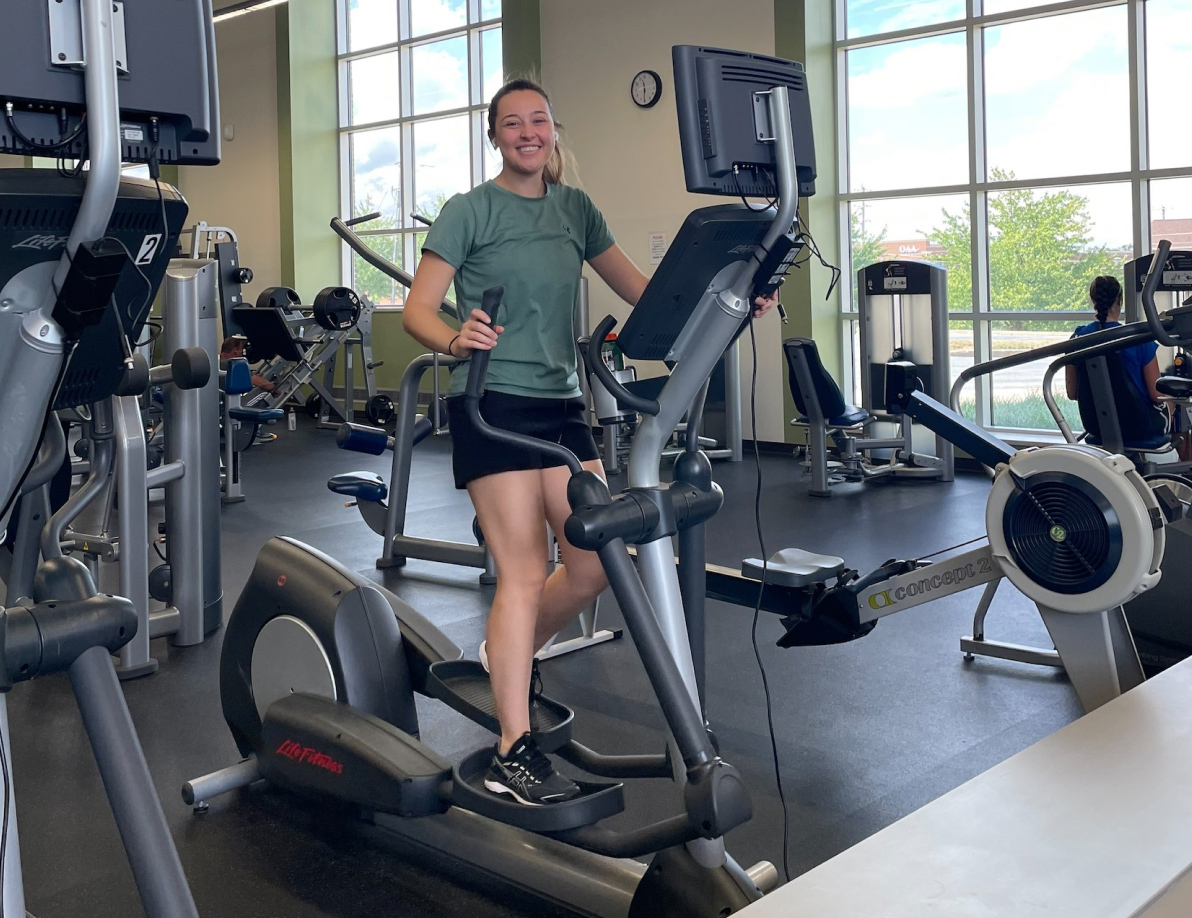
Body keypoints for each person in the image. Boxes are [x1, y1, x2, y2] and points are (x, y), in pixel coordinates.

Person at [402, 77, 778, 806]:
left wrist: (735, 297)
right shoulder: (468, 210)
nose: (527, 133)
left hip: (561, 405)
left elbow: (646, 290)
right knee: (521, 570)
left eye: (538, 120)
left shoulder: (575, 209)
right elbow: (419, 307)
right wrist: (454, 336)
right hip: (493, 403)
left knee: (593, 566)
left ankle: (503, 654)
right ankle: (514, 746)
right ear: (494, 137)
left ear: (553, 130)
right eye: (511, 123)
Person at [1065, 274, 1169, 436]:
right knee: (1178, 406)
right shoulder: (1138, 339)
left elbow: (1072, 393)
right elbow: (1156, 395)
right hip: (1139, 425)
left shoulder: (1077, 339)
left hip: (1096, 425)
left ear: (1094, 301)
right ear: (1120, 301)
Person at [220, 335, 278, 441]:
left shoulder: (216, 362)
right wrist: (275, 388)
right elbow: (264, 384)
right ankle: (252, 433)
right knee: (265, 392)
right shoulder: (231, 364)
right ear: (235, 353)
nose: (242, 356)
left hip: (218, 412)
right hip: (226, 414)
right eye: (241, 353)